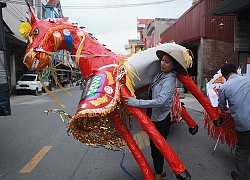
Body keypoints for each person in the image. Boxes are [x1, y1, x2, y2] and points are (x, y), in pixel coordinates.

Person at [124, 49, 190, 180]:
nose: (163, 63)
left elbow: (160, 101)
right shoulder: (159, 75)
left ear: (174, 65)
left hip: (161, 120)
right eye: (162, 60)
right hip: (153, 117)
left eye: (167, 62)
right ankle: (162, 170)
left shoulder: (169, 81)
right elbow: (150, 93)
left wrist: (136, 102)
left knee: (157, 149)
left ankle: (158, 175)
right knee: (156, 148)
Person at [218, 64, 250, 180]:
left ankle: (240, 176)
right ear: (236, 71)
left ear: (224, 76)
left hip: (243, 123)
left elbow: (221, 106)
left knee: (242, 148)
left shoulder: (224, 88)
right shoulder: (248, 80)